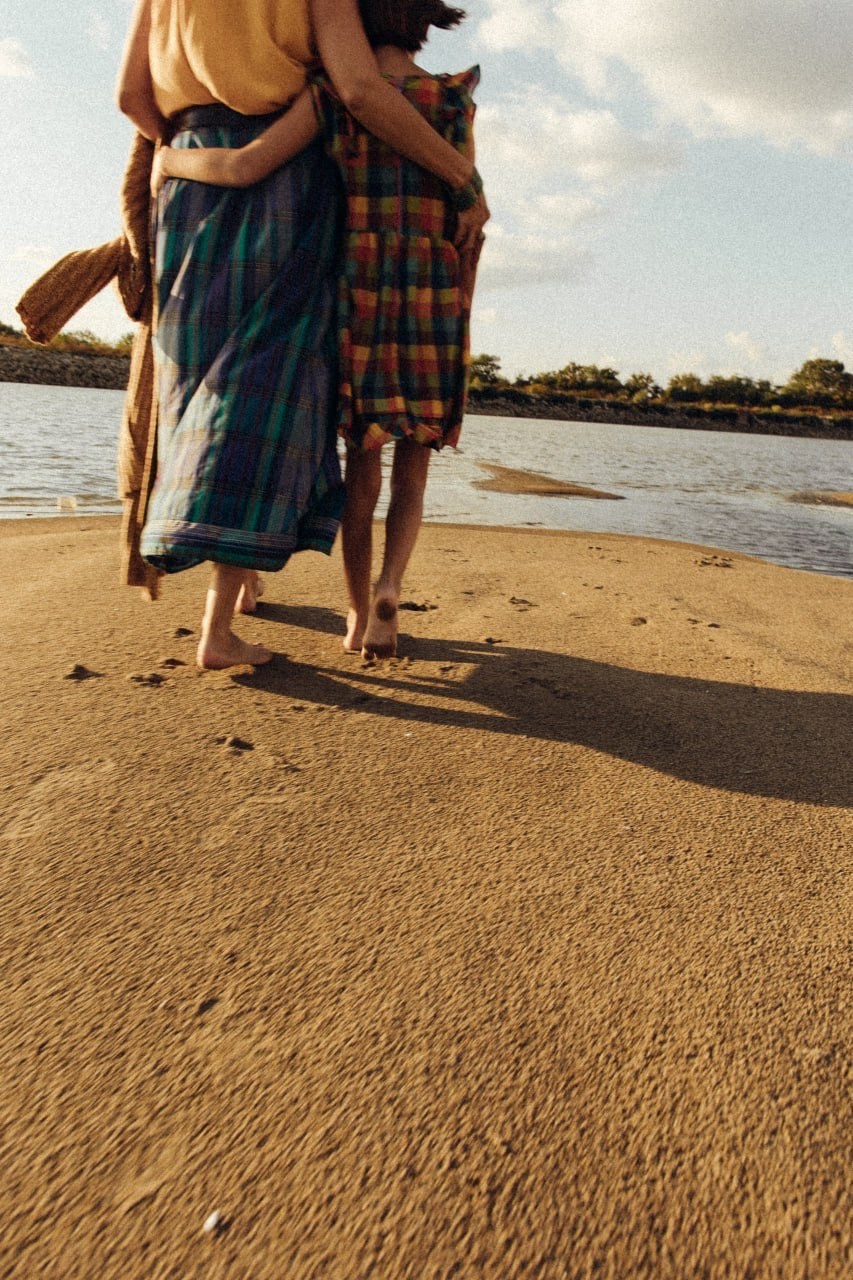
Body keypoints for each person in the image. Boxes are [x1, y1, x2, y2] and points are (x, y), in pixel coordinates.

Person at [116, 0, 488, 669]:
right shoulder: (437, 96)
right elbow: (359, 88)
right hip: (289, 185)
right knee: (259, 388)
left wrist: (176, 152)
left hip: (187, 176)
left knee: (192, 382)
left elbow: (131, 99)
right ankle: (244, 617)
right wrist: (464, 182)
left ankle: (241, 582)